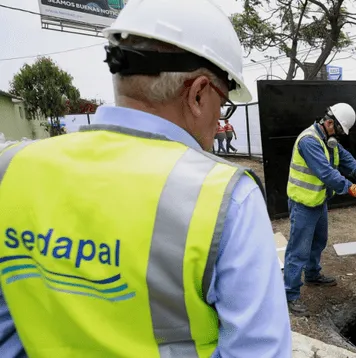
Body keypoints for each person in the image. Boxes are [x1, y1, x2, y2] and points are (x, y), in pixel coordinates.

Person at [0, 1, 291, 357]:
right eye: (223, 103)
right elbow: (258, 351)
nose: (219, 123)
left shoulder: (11, 167)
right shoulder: (225, 198)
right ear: (199, 93)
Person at [284, 103, 356, 316]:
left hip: (318, 201)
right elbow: (326, 173)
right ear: (328, 122)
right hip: (303, 204)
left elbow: (344, 156)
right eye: (339, 130)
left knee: (319, 241)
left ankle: (313, 275)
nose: (339, 136)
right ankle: (289, 294)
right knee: (298, 250)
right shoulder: (309, 141)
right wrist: (351, 188)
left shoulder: (328, 139)